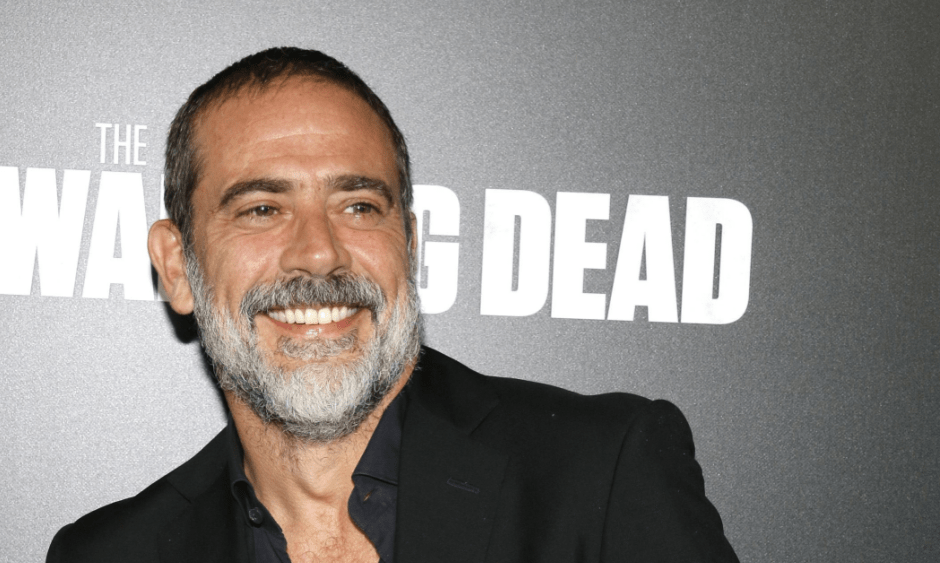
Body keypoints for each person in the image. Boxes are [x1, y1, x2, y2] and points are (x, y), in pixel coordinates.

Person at [46, 47, 739, 563]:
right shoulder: (113, 554)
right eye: (261, 208)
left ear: (408, 242)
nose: (319, 253)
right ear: (177, 266)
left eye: (358, 205)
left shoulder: (602, 476)